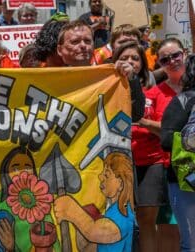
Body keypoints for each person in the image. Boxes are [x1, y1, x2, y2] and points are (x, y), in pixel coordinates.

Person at [116, 40, 173, 252]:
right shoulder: (109, 88)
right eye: (124, 58)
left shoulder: (155, 92)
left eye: (135, 58)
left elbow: (165, 128)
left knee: (146, 220)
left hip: (151, 162)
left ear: (142, 63)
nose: (130, 62)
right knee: (123, 219)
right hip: (120, 163)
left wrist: (142, 121)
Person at [54, 152, 135, 251]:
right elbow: (94, 247)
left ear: (121, 184)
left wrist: (72, 210)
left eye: (107, 175)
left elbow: (95, 232)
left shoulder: (124, 214)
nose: (100, 176)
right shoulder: (113, 211)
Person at [0, 146, 59, 252]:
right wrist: (10, 248)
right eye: (16, 169)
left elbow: (54, 245)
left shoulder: (41, 202)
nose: (22, 174)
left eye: (27, 168)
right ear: (6, 172)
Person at [161, 52, 195, 252]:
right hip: (186, 182)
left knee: (190, 244)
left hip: (184, 179)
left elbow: (166, 141)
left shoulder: (180, 101)